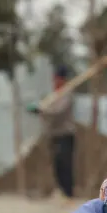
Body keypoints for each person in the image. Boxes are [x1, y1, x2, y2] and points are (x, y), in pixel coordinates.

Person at [28, 65, 76, 200]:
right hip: (54, 134)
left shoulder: (67, 94)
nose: (55, 82)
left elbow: (57, 112)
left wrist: (42, 110)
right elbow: (47, 108)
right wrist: (39, 109)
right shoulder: (54, 95)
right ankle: (60, 190)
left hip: (65, 134)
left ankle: (68, 192)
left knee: (65, 162)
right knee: (57, 164)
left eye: (57, 79)